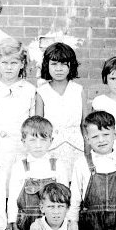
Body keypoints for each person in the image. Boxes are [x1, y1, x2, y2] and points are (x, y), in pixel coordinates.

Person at [5, 116, 70, 230]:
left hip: (51, 222)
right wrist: (12, 222)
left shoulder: (57, 165)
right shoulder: (19, 166)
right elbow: (14, 197)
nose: (38, 145)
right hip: (26, 222)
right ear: (23, 141)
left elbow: (65, 198)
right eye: (32, 140)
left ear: (51, 141)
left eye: (43, 140)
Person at [0, 38, 43, 171]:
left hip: (20, 150)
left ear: (22, 64)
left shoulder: (30, 91)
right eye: (4, 62)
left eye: (14, 63)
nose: (9, 67)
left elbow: (33, 124)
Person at [37, 42, 87, 178]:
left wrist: (88, 151)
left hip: (76, 148)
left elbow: (85, 124)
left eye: (63, 64)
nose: (59, 69)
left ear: (71, 65)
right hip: (51, 149)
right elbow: (39, 126)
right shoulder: (42, 92)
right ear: (47, 65)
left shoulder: (78, 90)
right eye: (54, 64)